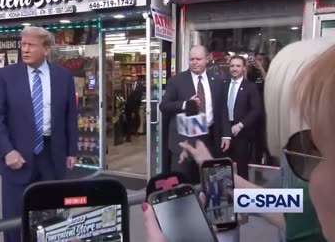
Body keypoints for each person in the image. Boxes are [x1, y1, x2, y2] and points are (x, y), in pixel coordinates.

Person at [143, 38, 335, 242]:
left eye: (317, 154)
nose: (311, 178)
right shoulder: (307, 206)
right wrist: (212, 169)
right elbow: (285, 208)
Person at [0, 26, 78, 242]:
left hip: (51, 155)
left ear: (46, 49)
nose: (25, 50)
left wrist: (71, 150)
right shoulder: (6, 76)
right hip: (17, 157)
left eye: (31, 45)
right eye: (23, 45)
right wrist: (7, 151)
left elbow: (70, 115)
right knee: (14, 218)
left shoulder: (63, 76)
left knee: (51, 215)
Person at [160, 45, 231, 184]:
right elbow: (164, 106)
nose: (194, 62)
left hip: (208, 138)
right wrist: (185, 104)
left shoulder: (216, 81)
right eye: (191, 59)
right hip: (182, 141)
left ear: (207, 60)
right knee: (182, 183)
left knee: (206, 181)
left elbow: (223, 109)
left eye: (198, 59)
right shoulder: (177, 81)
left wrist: (226, 134)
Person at [223, 55, 261, 179]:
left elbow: (256, 110)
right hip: (224, 131)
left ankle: (241, 195)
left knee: (242, 168)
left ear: (244, 68)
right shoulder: (223, 84)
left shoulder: (251, 87)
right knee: (223, 167)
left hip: (242, 133)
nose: (234, 68)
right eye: (232, 66)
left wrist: (240, 125)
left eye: (238, 66)